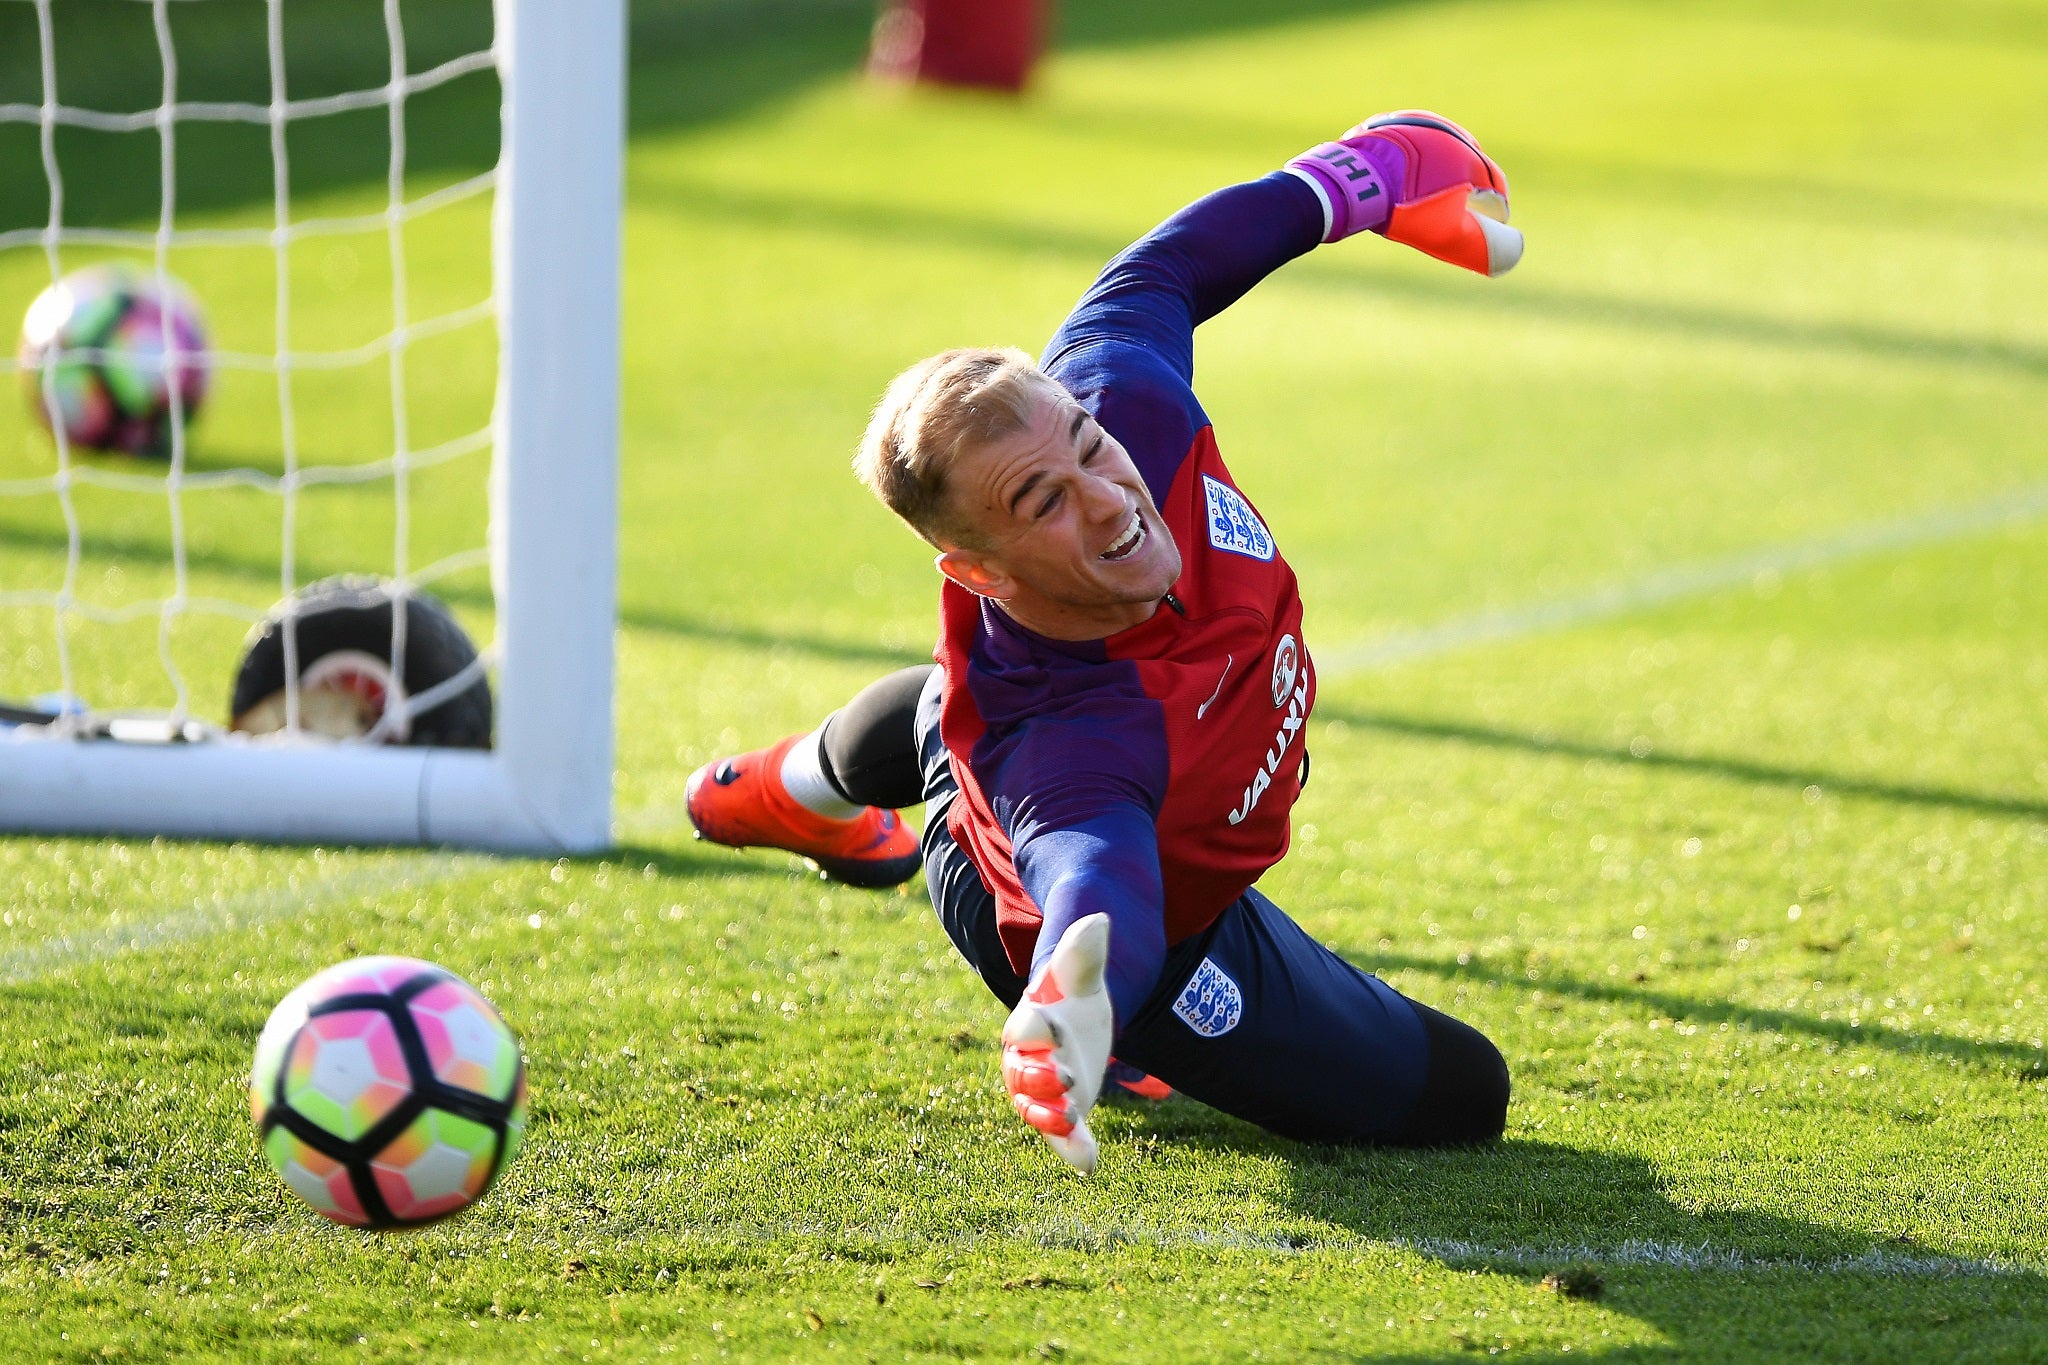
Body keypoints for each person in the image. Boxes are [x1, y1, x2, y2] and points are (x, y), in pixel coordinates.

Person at [686, 112, 1522, 1172]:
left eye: (1084, 446)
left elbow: (1163, 271)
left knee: (952, 704)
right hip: (1119, 926)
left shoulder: (1125, 405)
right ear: (978, 570)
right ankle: (876, 819)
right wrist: (1076, 1002)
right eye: (1042, 501)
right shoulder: (1068, 746)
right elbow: (1096, 877)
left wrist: (1367, 176)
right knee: (1462, 1095)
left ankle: (786, 787)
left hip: (1021, 706)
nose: (1106, 495)